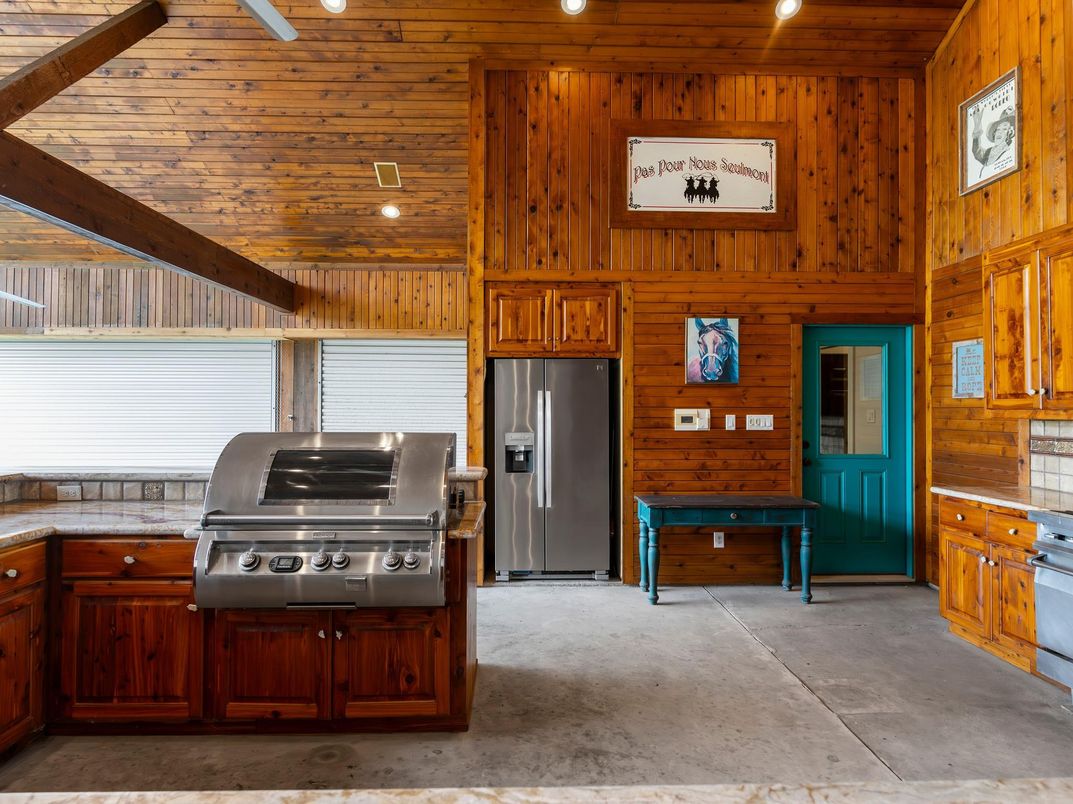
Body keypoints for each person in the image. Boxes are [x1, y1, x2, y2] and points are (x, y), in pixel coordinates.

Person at [971, 106, 1015, 177]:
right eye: (998, 129)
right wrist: (977, 125)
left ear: (1010, 132)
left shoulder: (1011, 150)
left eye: (1004, 129)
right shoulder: (989, 151)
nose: (999, 132)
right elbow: (976, 152)